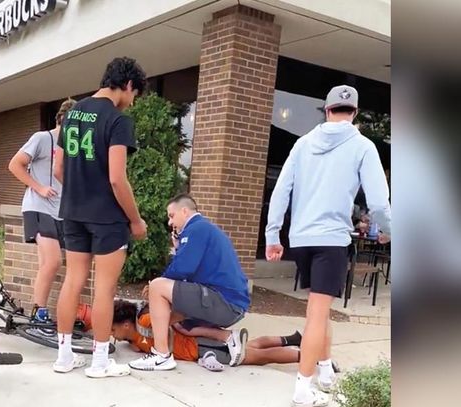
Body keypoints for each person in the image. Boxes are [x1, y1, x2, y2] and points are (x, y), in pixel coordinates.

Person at [265, 85, 391, 407]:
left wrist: (273, 235)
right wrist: (390, 230)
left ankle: (324, 370)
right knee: (317, 315)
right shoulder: (362, 146)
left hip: (303, 239)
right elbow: (377, 200)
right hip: (332, 239)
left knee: (320, 309)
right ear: (356, 114)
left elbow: (281, 191)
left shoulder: (302, 144)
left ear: (326, 109)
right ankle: (303, 389)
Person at [52, 57, 148, 378]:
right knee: (104, 289)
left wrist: (80, 192)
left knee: (73, 280)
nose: (132, 102)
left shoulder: (72, 113)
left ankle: (64, 356)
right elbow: (117, 179)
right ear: (129, 85)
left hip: (72, 212)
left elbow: (58, 169)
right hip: (107, 217)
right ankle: (99, 362)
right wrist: (135, 220)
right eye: (135, 95)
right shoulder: (118, 120)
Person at [128, 194, 251, 371]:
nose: (170, 223)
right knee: (177, 316)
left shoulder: (196, 228)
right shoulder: (205, 229)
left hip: (224, 303)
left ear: (184, 211)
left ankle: (161, 356)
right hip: (229, 303)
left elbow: (183, 268)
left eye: (171, 216)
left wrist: (159, 282)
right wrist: (180, 248)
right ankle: (227, 337)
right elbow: (190, 272)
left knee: (157, 286)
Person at [8, 98, 76, 325]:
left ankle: (39, 313)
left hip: (60, 211)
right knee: (54, 261)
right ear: (62, 118)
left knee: (47, 263)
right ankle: (39, 313)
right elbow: (14, 165)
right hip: (37, 206)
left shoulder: (73, 145)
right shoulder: (42, 138)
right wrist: (39, 187)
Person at [113, 300, 301, 368]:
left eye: (113, 329)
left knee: (260, 357)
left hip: (199, 346)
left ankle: (309, 356)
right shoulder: (133, 340)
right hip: (198, 348)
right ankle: (292, 340)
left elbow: (172, 314)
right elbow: (139, 345)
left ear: (127, 324)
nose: (112, 335)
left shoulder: (145, 322)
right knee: (251, 346)